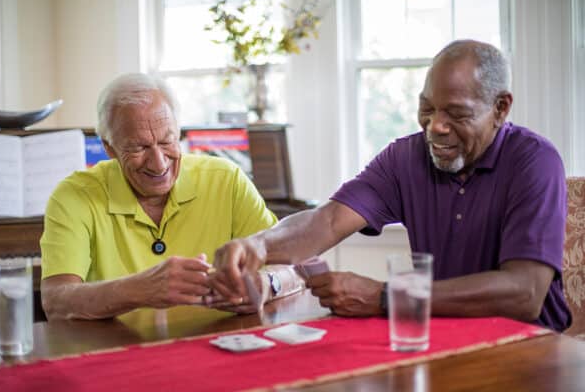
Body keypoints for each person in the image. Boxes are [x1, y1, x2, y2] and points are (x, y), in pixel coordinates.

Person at [210, 40, 572, 332]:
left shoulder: (535, 161)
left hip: (527, 347)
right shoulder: (406, 157)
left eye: (457, 114)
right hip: (439, 337)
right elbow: (328, 221)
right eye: (427, 109)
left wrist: (388, 296)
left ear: (501, 108)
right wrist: (258, 243)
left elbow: (524, 293)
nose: (436, 127)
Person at [40, 73, 303, 320]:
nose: (158, 163)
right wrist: (138, 290)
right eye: (139, 147)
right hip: (122, 354)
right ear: (109, 147)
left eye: (167, 142)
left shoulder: (227, 179)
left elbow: (294, 267)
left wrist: (269, 284)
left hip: (219, 344)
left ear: (178, 133)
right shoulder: (73, 196)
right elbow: (55, 301)